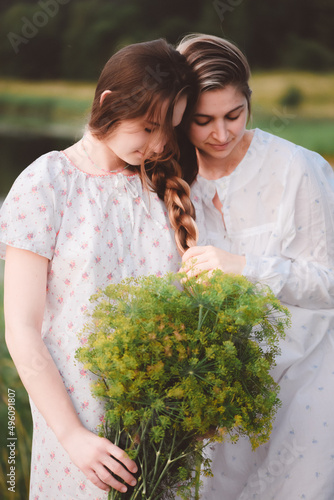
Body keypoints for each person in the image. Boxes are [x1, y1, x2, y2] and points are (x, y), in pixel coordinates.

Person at [0, 39, 199, 499]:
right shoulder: (47, 183)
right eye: (147, 126)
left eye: (166, 130)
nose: (157, 144)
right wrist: (73, 436)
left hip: (161, 432)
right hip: (81, 434)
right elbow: (22, 330)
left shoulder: (161, 191)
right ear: (108, 102)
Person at [177, 33, 334, 499]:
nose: (221, 134)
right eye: (202, 121)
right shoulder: (172, 180)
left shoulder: (297, 168)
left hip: (308, 380)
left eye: (234, 115)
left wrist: (244, 266)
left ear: (249, 101)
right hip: (224, 392)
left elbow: (328, 284)